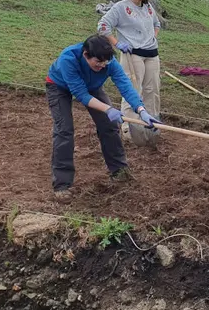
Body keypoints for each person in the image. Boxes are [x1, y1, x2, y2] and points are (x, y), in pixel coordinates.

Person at [45, 34, 160, 201]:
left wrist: (141, 110)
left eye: (105, 63)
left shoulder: (108, 61)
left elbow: (125, 85)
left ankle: (119, 170)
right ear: (86, 55)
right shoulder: (68, 58)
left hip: (92, 87)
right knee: (64, 130)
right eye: (98, 62)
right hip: (59, 86)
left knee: (109, 125)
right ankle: (62, 184)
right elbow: (81, 94)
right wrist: (108, 109)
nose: (102, 66)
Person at [98, 0, 163, 148]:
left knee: (152, 90)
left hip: (152, 54)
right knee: (133, 90)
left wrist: (152, 37)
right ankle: (129, 128)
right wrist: (117, 43)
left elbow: (157, 24)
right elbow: (103, 26)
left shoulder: (148, 8)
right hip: (132, 54)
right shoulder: (121, 7)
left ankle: (152, 127)